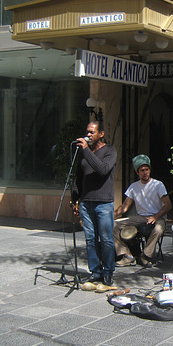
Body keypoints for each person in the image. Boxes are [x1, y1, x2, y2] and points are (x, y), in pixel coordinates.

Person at [71, 121, 117, 286]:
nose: (88, 135)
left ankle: (108, 272)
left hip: (103, 203)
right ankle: (95, 271)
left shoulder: (110, 151)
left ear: (101, 134)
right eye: (87, 132)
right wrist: (75, 199)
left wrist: (85, 150)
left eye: (92, 132)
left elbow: (102, 169)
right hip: (86, 203)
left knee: (105, 239)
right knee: (90, 239)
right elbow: (78, 178)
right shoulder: (84, 153)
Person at [113, 154, 172, 268]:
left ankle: (145, 255)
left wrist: (155, 216)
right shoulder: (133, 187)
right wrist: (111, 215)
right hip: (141, 217)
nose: (145, 172)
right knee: (113, 225)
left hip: (158, 216)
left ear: (150, 170)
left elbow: (168, 205)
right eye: (142, 170)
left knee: (159, 229)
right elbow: (125, 207)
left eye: (147, 169)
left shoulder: (158, 185)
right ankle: (127, 255)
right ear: (137, 172)